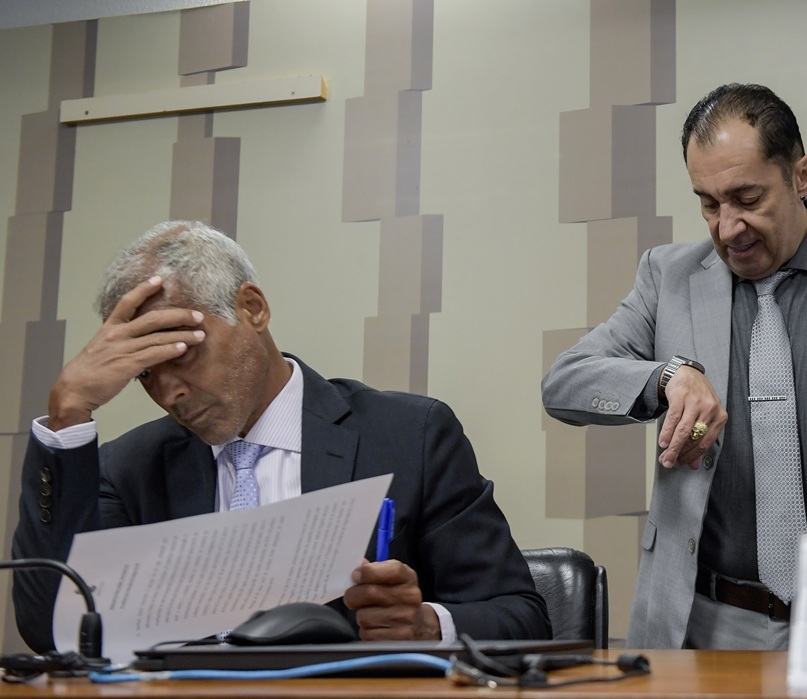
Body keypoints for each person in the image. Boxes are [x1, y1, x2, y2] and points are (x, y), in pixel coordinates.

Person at [12, 221, 550, 653]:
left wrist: (427, 625)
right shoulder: (129, 467)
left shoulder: (410, 436)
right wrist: (68, 414)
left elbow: (521, 617)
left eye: (181, 355)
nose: (168, 392)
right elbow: (51, 629)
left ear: (252, 308)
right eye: (145, 374)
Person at [542, 83, 807, 649]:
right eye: (708, 203)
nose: (728, 228)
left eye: (748, 199)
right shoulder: (668, 277)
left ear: (802, 175)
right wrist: (666, 377)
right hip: (706, 621)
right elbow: (564, 382)